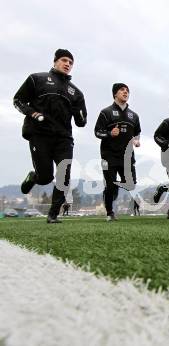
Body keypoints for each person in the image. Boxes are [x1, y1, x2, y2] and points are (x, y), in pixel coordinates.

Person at [13, 49, 87, 223]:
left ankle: (53, 214)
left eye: (70, 62)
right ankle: (34, 177)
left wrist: (80, 113)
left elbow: (81, 122)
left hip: (64, 139)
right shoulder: (37, 79)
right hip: (39, 135)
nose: (67, 64)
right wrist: (33, 114)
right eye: (64, 60)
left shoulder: (76, 92)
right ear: (55, 62)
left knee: (64, 175)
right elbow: (18, 100)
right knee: (46, 177)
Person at [94, 83, 141, 221]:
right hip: (109, 155)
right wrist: (109, 133)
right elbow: (97, 131)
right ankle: (110, 213)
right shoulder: (106, 112)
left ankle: (112, 187)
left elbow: (137, 132)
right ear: (115, 94)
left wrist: (136, 140)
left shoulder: (134, 115)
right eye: (122, 90)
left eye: (127, 91)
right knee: (111, 185)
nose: (125, 92)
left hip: (127, 156)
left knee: (130, 184)